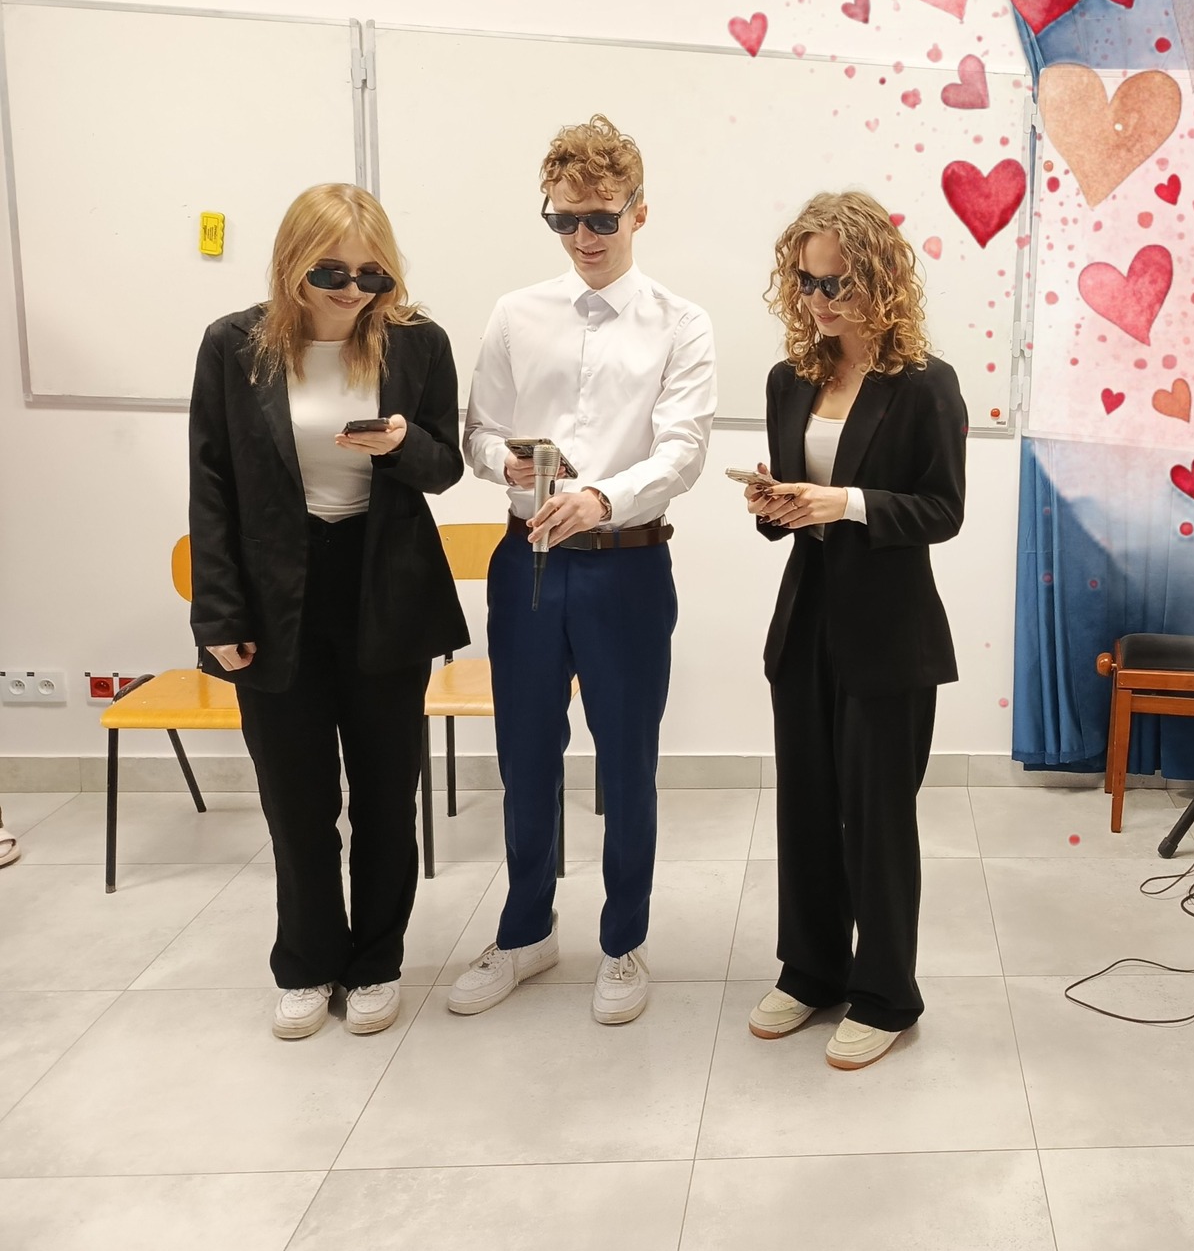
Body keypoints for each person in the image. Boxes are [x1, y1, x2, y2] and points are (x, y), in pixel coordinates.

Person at [188, 182, 468, 1039]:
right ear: (291, 264)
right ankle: (308, 962)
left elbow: (444, 468)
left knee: (386, 795)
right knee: (297, 800)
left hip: (384, 591)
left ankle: (377, 960)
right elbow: (212, 484)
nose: (354, 291)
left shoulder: (417, 343)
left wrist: (401, 446)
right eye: (333, 273)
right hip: (276, 598)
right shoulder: (234, 346)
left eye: (373, 275)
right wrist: (219, 616)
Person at [453, 114, 716, 1027]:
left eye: (601, 218)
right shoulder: (515, 313)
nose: (584, 238)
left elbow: (682, 452)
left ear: (640, 210)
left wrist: (602, 497)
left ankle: (623, 942)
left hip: (627, 566)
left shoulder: (682, 322)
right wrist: (502, 462)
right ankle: (527, 932)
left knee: (627, 762)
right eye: (563, 220)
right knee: (524, 756)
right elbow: (477, 431)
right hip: (527, 561)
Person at [743, 191, 967, 1070]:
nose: (819, 300)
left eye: (837, 282)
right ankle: (811, 972)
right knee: (805, 807)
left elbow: (942, 510)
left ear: (880, 276)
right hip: (805, 622)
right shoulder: (789, 380)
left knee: (876, 821)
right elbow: (792, 513)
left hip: (891, 630)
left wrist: (845, 503)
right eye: (806, 282)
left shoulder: (925, 385)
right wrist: (776, 505)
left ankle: (885, 995)